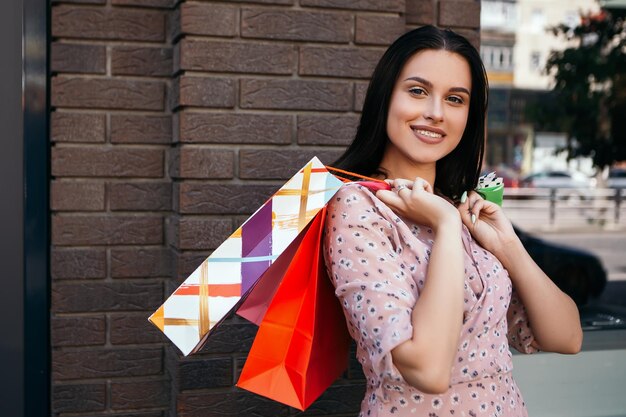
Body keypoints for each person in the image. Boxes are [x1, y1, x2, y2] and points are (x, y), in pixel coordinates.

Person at [323, 25, 582, 417]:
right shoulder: (358, 207)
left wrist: (507, 246)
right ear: (384, 98)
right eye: (417, 91)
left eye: (455, 99)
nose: (436, 113)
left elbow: (567, 337)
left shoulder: (462, 209)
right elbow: (427, 369)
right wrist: (444, 227)